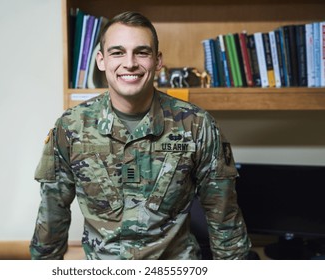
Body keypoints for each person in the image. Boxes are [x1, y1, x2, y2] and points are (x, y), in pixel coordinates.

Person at [30, 11, 251, 260]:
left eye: (141, 52)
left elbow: (224, 220)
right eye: (118, 52)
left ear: (157, 61)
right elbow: (52, 216)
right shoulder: (71, 126)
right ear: (101, 61)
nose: (130, 63)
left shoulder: (197, 125)